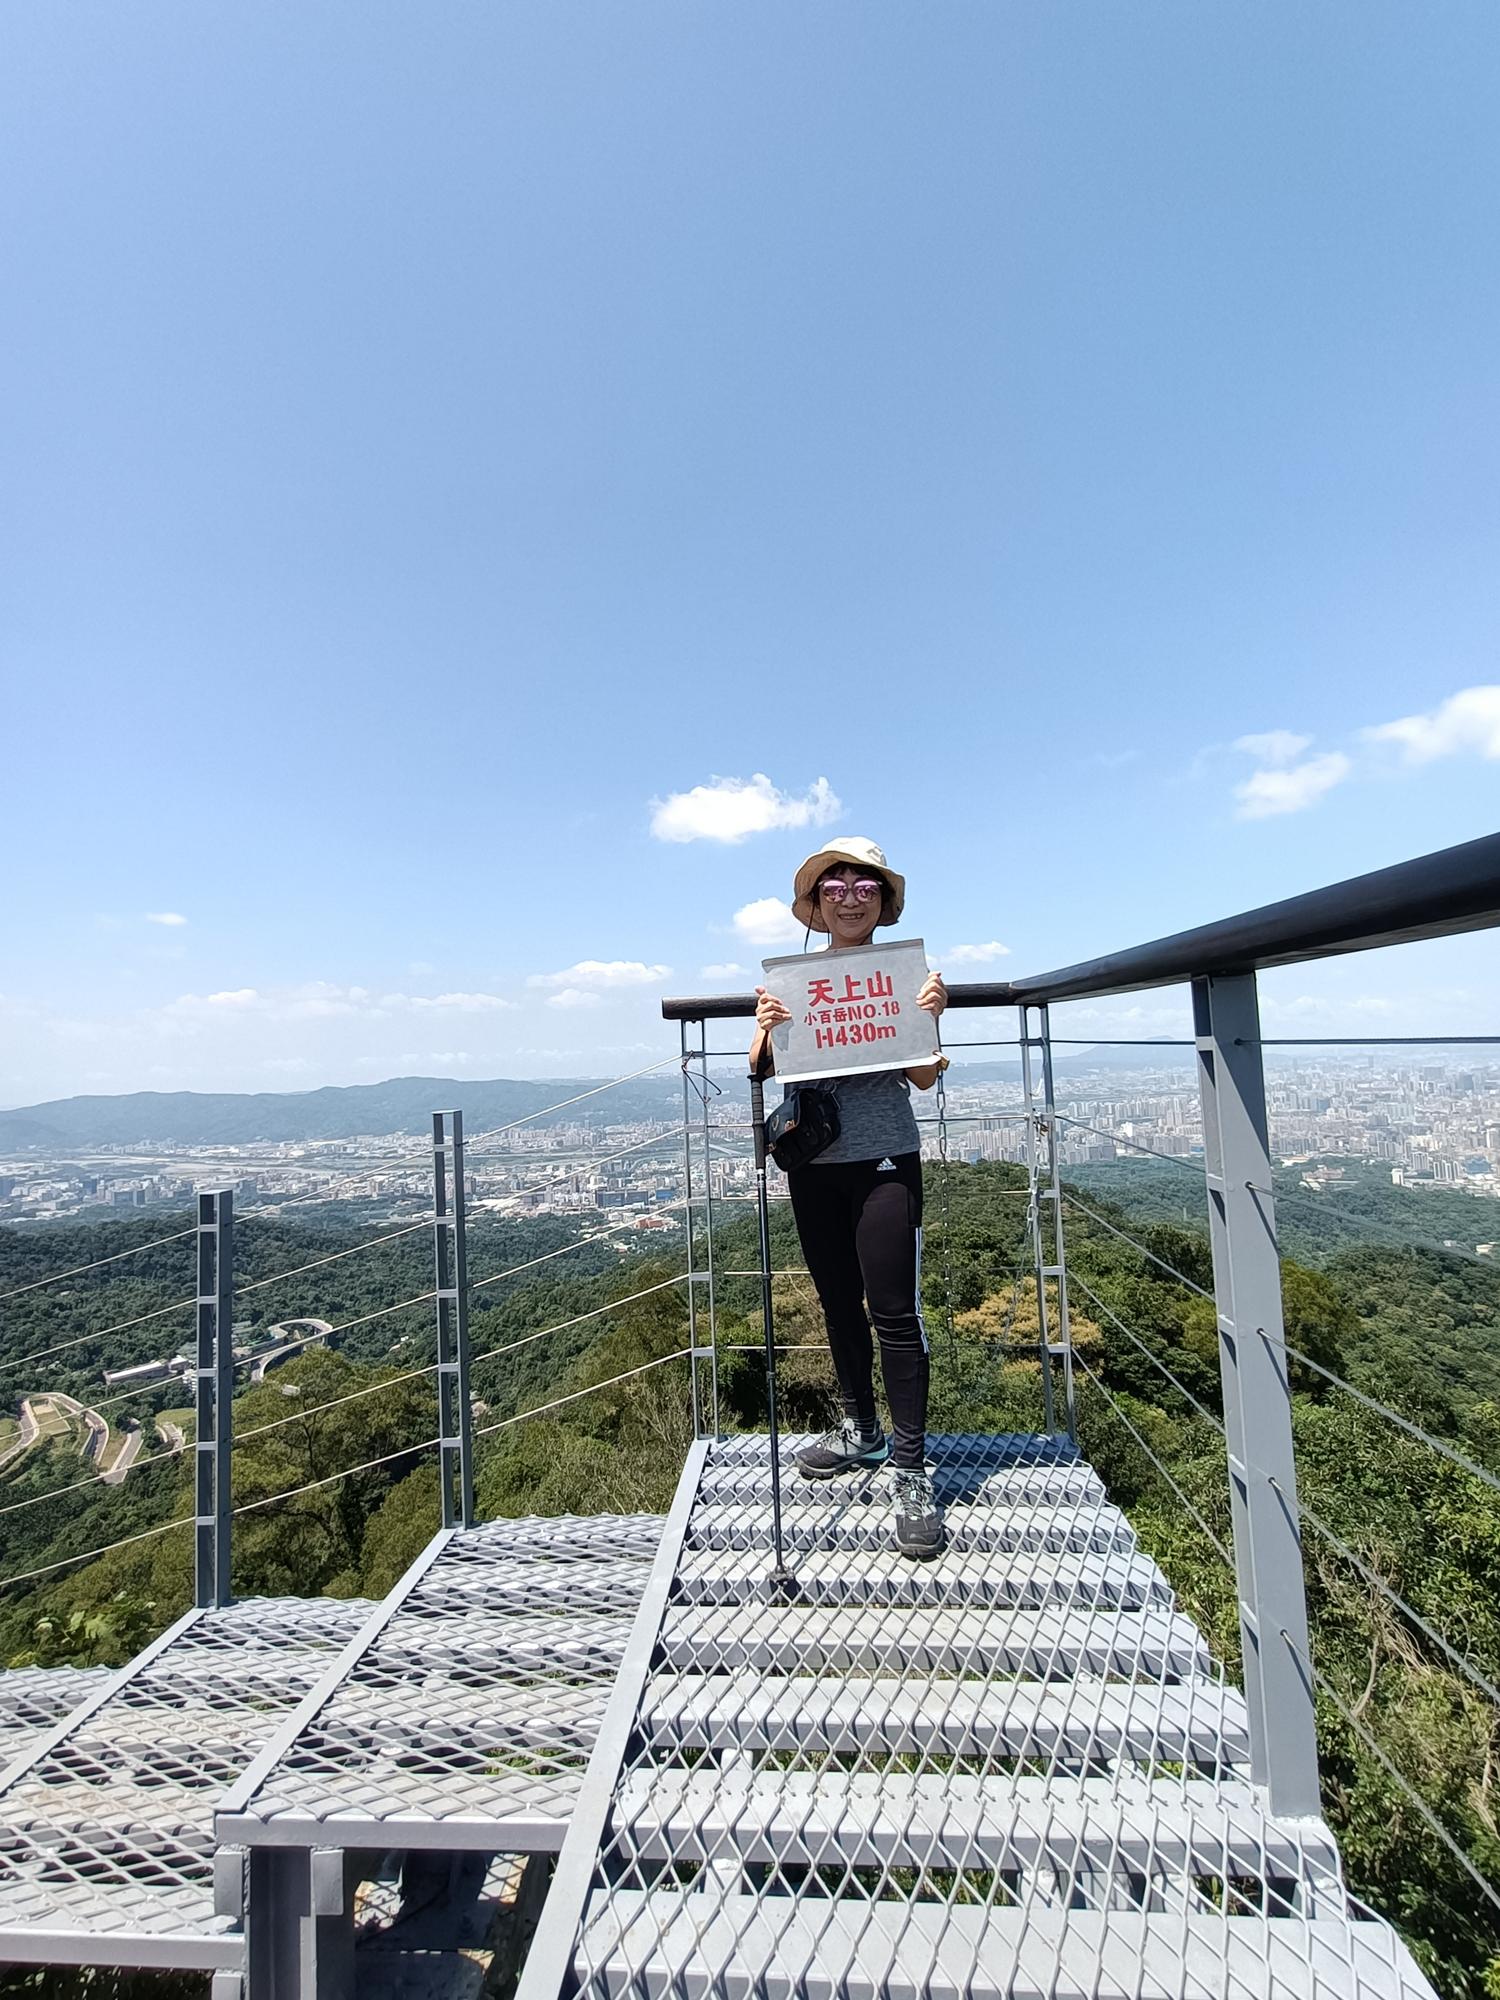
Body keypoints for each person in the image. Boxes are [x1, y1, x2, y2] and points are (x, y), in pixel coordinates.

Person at [751, 837, 949, 1560]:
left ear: (883, 900)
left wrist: (932, 1014)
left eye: (864, 885)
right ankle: (860, 1428)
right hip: (815, 1161)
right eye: (833, 886)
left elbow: (922, 1076)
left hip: (885, 1156)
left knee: (894, 1311)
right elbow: (761, 1069)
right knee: (837, 1302)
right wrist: (767, 1028)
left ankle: (910, 1468)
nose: (849, 896)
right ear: (816, 902)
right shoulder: (794, 981)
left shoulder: (905, 976)